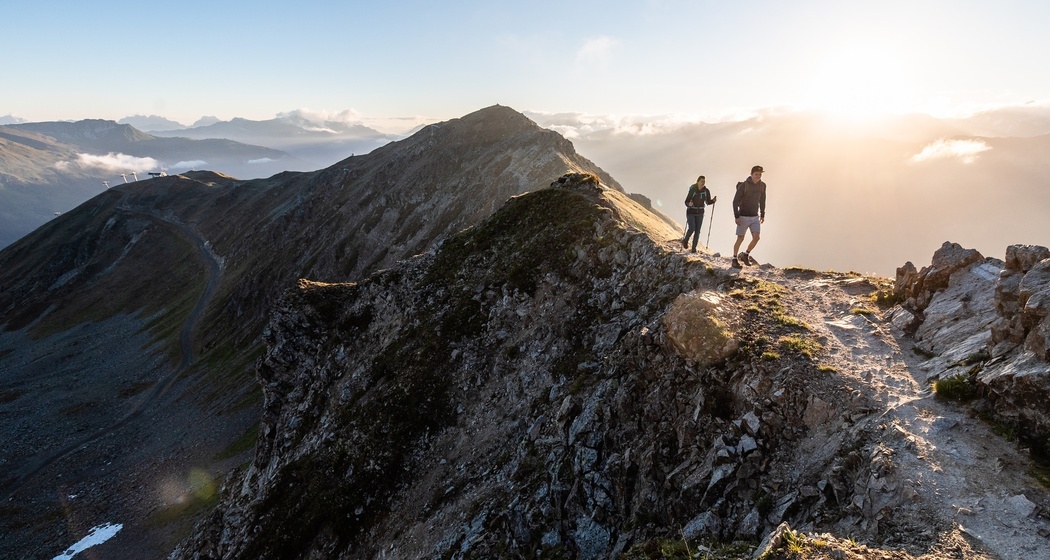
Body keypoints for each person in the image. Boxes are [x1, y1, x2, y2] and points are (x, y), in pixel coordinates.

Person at [731, 165, 767, 268]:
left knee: (756, 238)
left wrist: (762, 214)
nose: (758, 176)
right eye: (756, 174)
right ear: (751, 174)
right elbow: (735, 201)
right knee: (740, 238)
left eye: (760, 175)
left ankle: (745, 254)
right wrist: (736, 216)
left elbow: (762, 200)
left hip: (755, 217)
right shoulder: (745, 185)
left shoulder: (763, 186)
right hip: (743, 216)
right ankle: (734, 259)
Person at [680, 176, 717, 252]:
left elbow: (707, 202)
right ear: (698, 181)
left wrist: (713, 201)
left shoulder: (706, 191)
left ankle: (694, 248)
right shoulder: (693, 190)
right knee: (692, 228)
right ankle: (685, 240)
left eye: (704, 181)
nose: (703, 183)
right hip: (691, 212)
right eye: (701, 181)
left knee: (697, 231)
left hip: (700, 213)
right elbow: (686, 201)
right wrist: (688, 204)